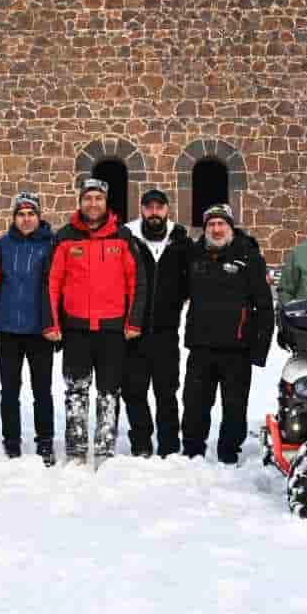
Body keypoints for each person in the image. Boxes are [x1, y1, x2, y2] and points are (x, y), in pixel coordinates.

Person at [44, 178, 145, 465]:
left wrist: (133, 321)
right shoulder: (65, 237)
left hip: (113, 328)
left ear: (106, 202)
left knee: (109, 391)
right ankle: (76, 449)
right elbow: (52, 281)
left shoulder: (122, 237)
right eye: (88, 198)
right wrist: (52, 322)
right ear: (80, 202)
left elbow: (137, 282)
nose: (93, 204)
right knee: (76, 389)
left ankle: (104, 448)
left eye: (98, 198)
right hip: (76, 327)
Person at [180, 204, 273, 464]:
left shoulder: (249, 256)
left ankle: (229, 452)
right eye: (211, 225)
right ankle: (192, 450)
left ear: (230, 227)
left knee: (234, 406)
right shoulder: (194, 255)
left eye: (221, 224)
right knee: (195, 403)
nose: (216, 229)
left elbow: (265, 306)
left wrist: (260, 349)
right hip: (201, 345)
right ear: (205, 228)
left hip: (238, 347)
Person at [121, 188, 191, 458]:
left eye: (158, 207)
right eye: (148, 207)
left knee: (167, 392)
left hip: (166, 332)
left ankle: (169, 445)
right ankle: (141, 442)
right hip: (133, 331)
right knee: (134, 391)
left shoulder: (181, 242)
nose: (154, 212)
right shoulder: (129, 239)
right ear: (142, 210)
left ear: (167, 210)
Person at [0, 191, 57, 464]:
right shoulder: (3, 245)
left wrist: (54, 323)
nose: (26, 219)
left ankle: (45, 440)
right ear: (14, 217)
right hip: (7, 328)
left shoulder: (51, 245)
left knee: (42, 389)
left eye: (31, 214)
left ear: (39, 217)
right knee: (9, 389)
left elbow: (56, 286)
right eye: (21, 214)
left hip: (39, 329)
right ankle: (11, 440)